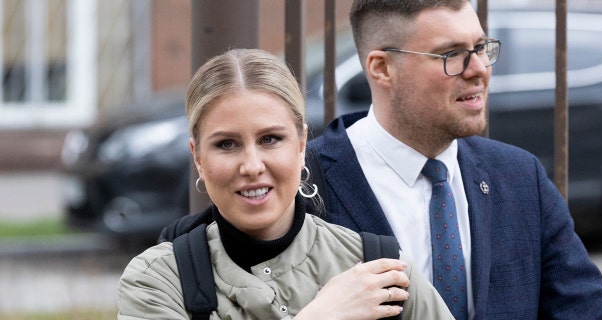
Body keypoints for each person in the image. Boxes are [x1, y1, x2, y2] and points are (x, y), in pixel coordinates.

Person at [305, 0, 602, 319]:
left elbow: (586, 310)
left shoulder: (519, 177)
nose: (479, 68)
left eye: (480, 47)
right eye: (451, 54)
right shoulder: (306, 186)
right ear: (382, 68)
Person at [117, 48, 455, 319]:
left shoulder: (378, 273)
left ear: (301, 144)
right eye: (226, 144)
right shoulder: (158, 281)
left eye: (270, 139)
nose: (251, 166)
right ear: (198, 157)